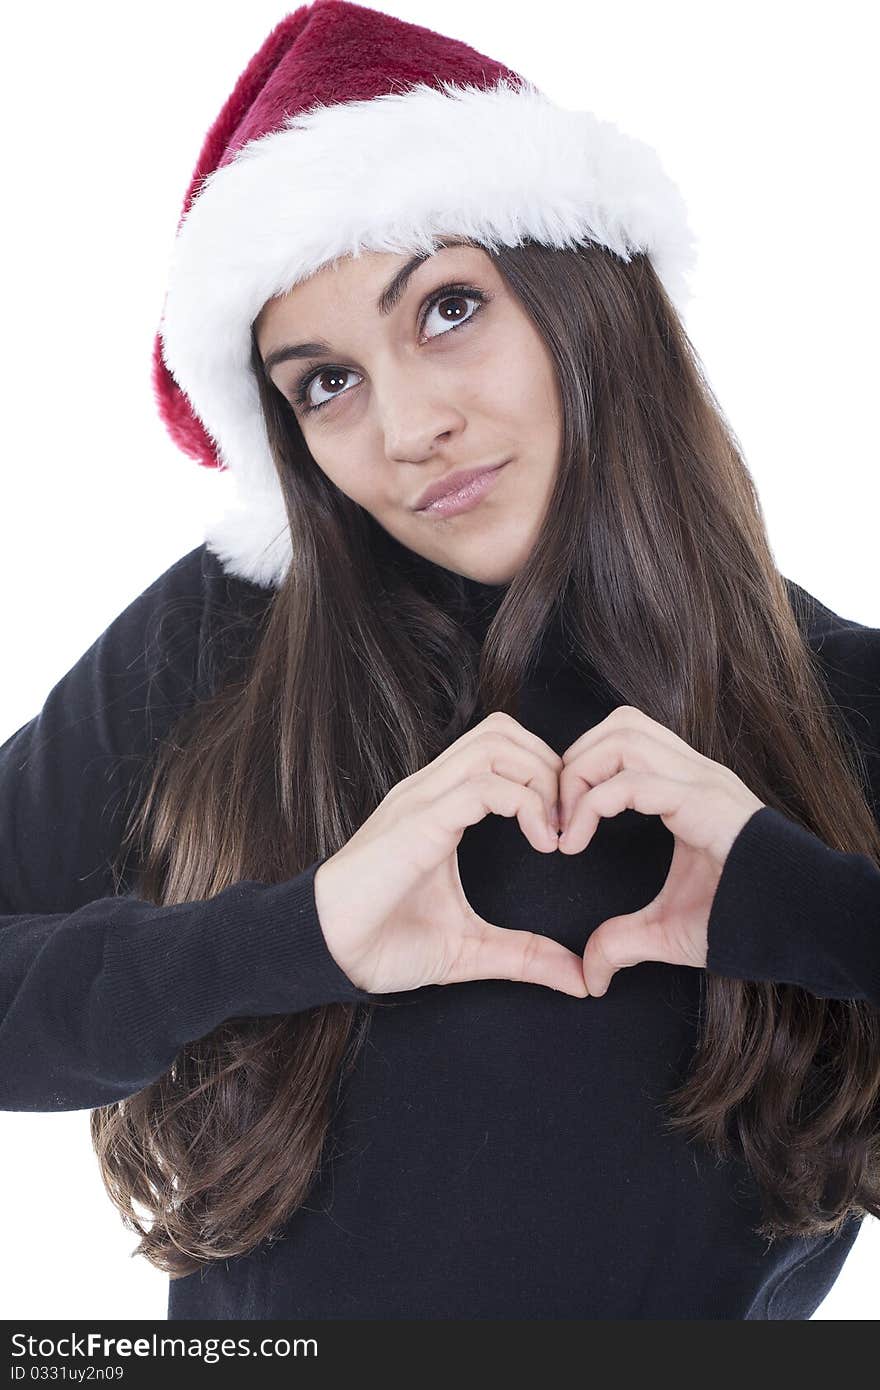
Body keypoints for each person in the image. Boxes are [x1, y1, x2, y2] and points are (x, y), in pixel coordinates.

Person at [2, 0, 879, 1322]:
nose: (409, 424)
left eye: (450, 306)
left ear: (590, 294)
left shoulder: (837, 697)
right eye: (324, 383)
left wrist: (803, 903)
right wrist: (285, 936)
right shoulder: (224, 640)